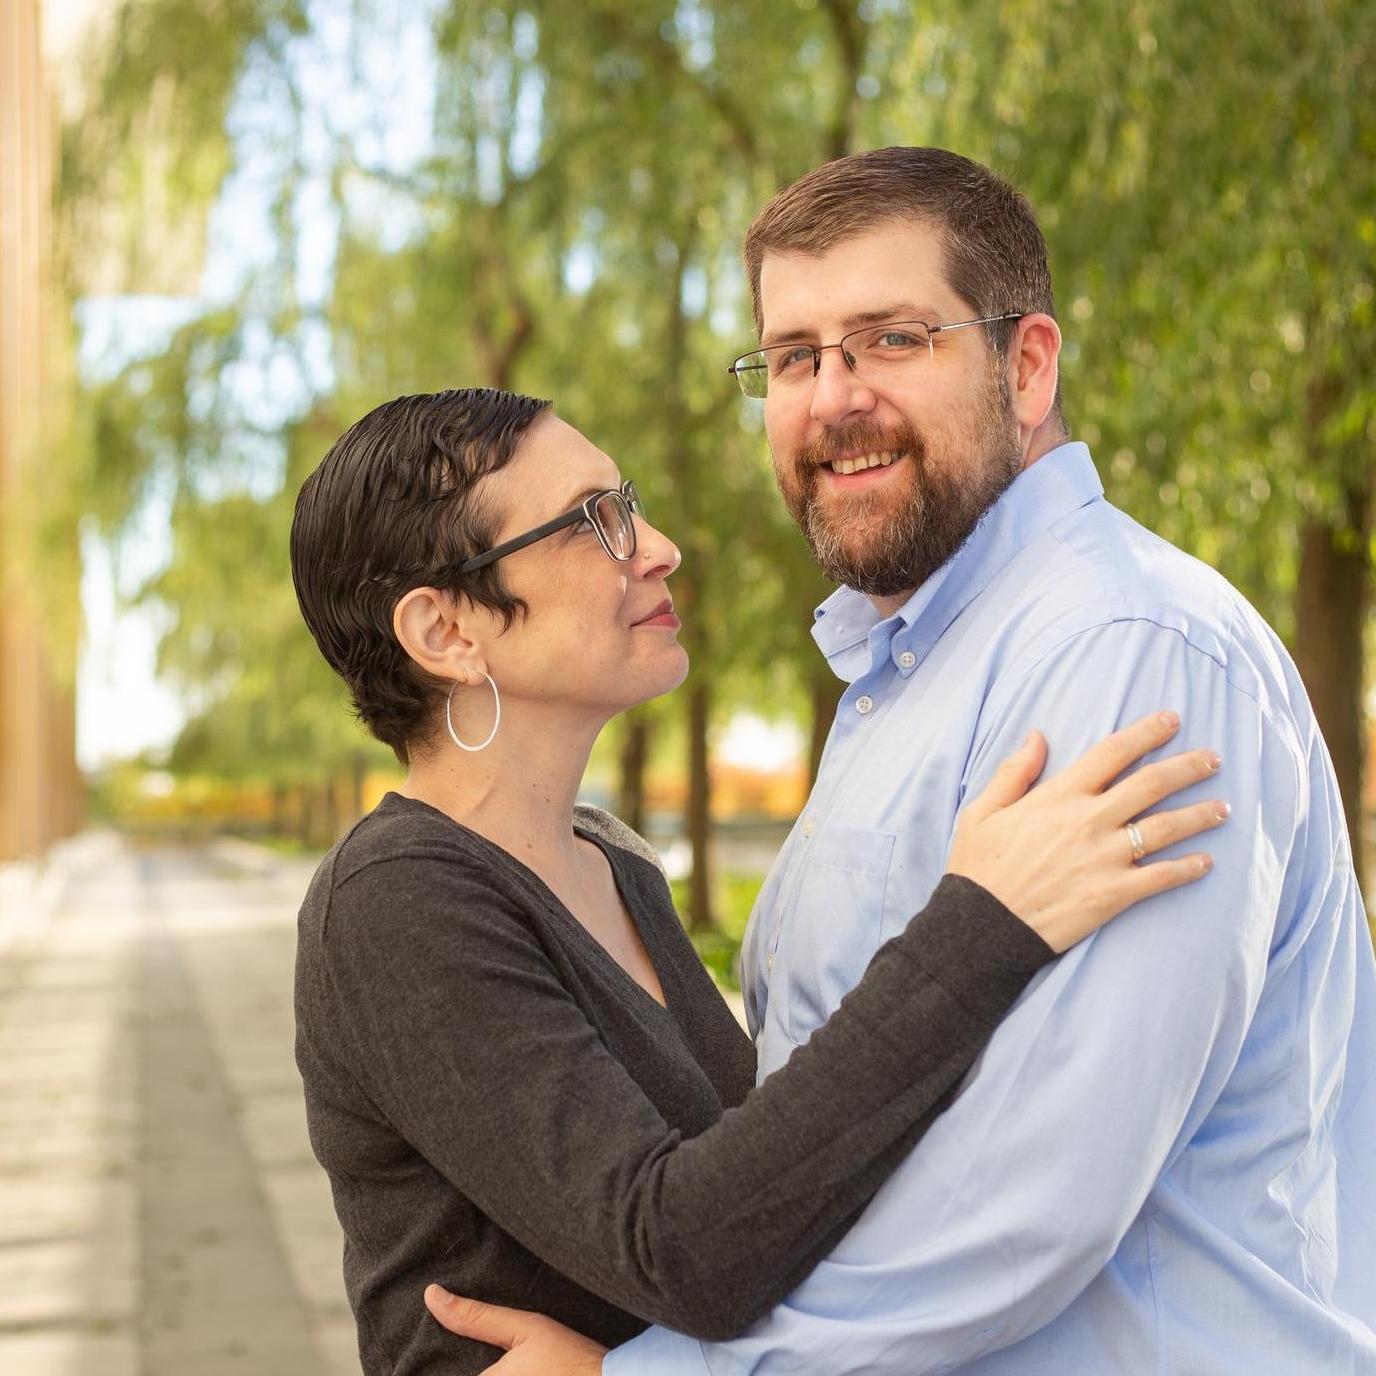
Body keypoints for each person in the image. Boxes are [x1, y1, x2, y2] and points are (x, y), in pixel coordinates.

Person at [428, 148, 1376, 1373]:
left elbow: (1031, 1197)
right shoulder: (903, 672)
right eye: (792, 357)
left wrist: (650, 1373)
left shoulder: (1122, 655)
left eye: (890, 339)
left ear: (1024, 367)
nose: (831, 397)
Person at [289, 387, 1223, 1376]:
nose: (654, 546)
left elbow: (775, 1191)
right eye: (593, 520)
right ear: (445, 631)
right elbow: (686, 1247)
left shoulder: (616, 864)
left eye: (631, 500)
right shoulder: (396, 902)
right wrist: (982, 923)